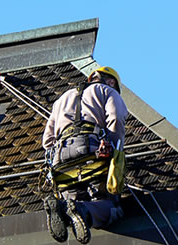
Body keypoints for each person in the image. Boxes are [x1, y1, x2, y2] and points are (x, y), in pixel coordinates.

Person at [42, 66, 128, 244]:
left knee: (70, 201)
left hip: (61, 158)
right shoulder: (107, 91)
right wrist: (113, 148)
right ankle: (83, 211)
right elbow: (116, 118)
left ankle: (64, 209)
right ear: (111, 81)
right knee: (110, 205)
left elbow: (47, 140)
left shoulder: (62, 99)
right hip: (91, 150)